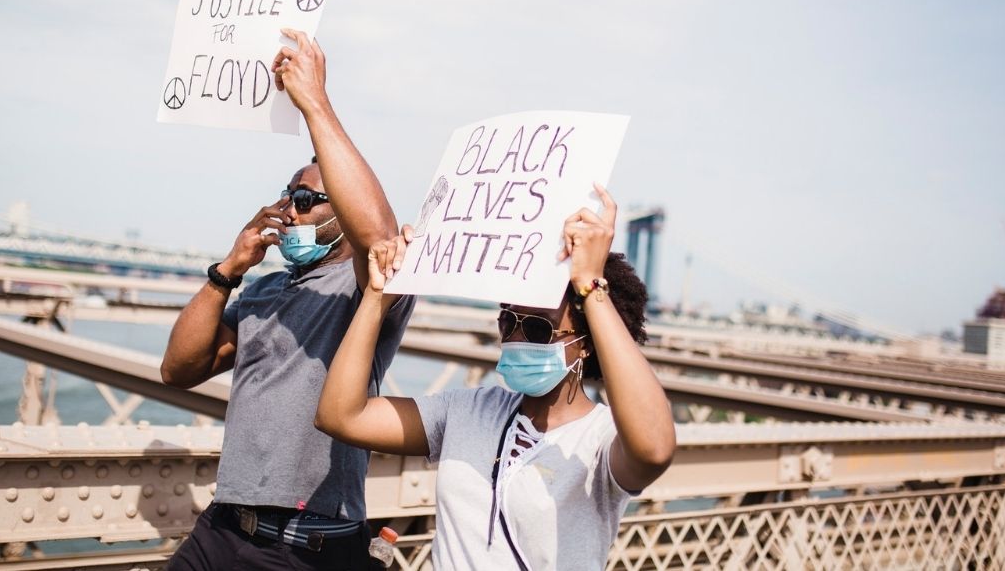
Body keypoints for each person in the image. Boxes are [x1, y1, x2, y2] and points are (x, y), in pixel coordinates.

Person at [315, 184, 677, 570]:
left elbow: (654, 448)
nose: (517, 337)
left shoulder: (601, 439)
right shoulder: (469, 409)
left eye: (538, 328)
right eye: (509, 320)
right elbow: (340, 416)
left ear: (586, 345)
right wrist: (376, 297)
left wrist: (590, 286)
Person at [161, 28, 415, 570]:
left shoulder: (366, 284)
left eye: (305, 199)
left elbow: (378, 232)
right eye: (287, 197)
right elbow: (179, 370)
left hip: (307, 546)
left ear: (341, 211)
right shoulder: (264, 291)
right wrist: (227, 271)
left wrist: (315, 104)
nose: (289, 209)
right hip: (223, 528)